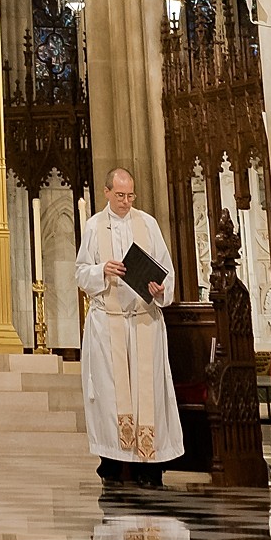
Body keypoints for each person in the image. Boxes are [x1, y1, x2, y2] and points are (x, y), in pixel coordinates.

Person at [76, 167, 183, 488]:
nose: (125, 202)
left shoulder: (147, 224)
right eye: (120, 195)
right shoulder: (94, 226)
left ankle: (149, 467)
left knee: (148, 394)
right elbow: (81, 273)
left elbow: (167, 271)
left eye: (130, 195)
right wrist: (101, 270)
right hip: (108, 324)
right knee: (111, 395)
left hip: (144, 321)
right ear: (106, 192)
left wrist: (161, 290)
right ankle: (112, 461)